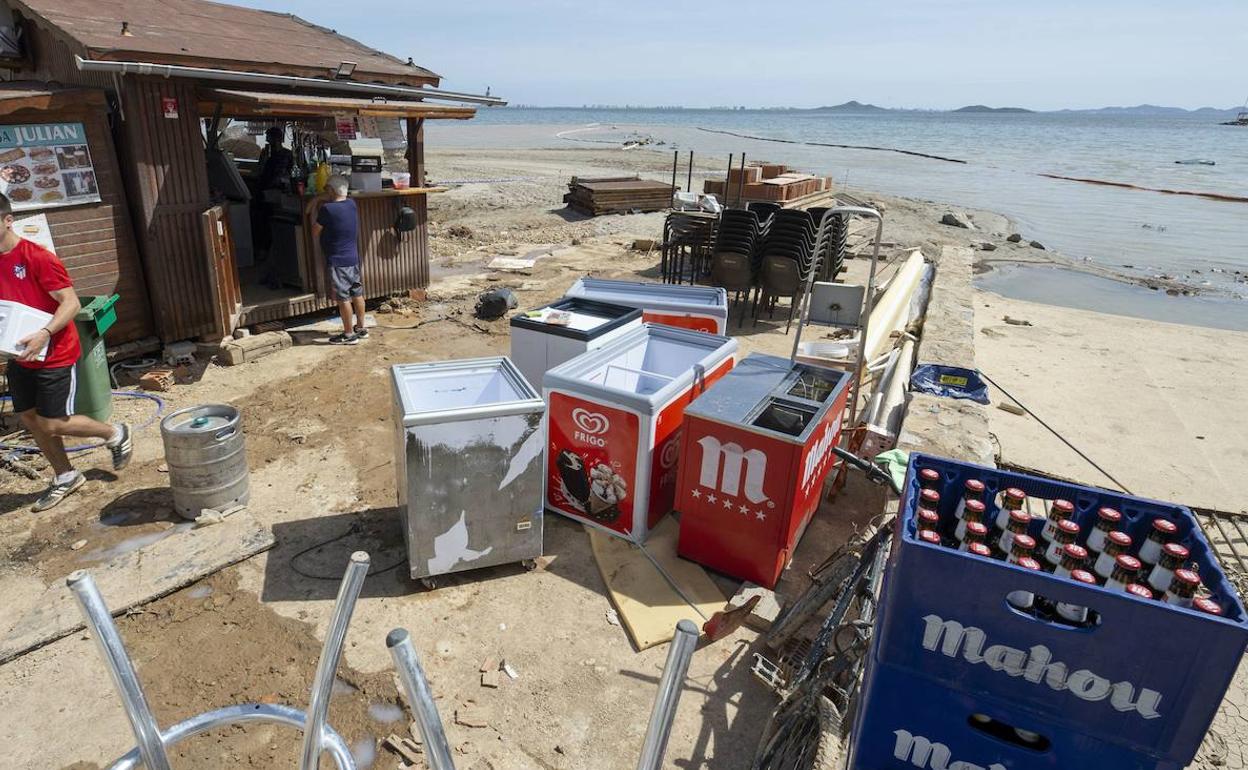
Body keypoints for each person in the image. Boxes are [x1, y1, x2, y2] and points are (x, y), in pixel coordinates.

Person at [0, 192, 133, 511]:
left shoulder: (37, 257)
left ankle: (114, 432)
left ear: (8, 220)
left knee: (53, 422)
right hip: (19, 353)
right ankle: (65, 476)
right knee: (30, 418)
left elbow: (71, 303)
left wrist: (44, 334)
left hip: (54, 351)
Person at [311, 174, 367, 345]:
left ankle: (349, 334)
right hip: (352, 257)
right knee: (356, 293)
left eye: (327, 189)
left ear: (331, 190)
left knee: (343, 297)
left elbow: (314, 231)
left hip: (337, 260)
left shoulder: (327, 209)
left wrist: (316, 202)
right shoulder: (351, 204)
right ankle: (361, 328)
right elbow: (339, 198)